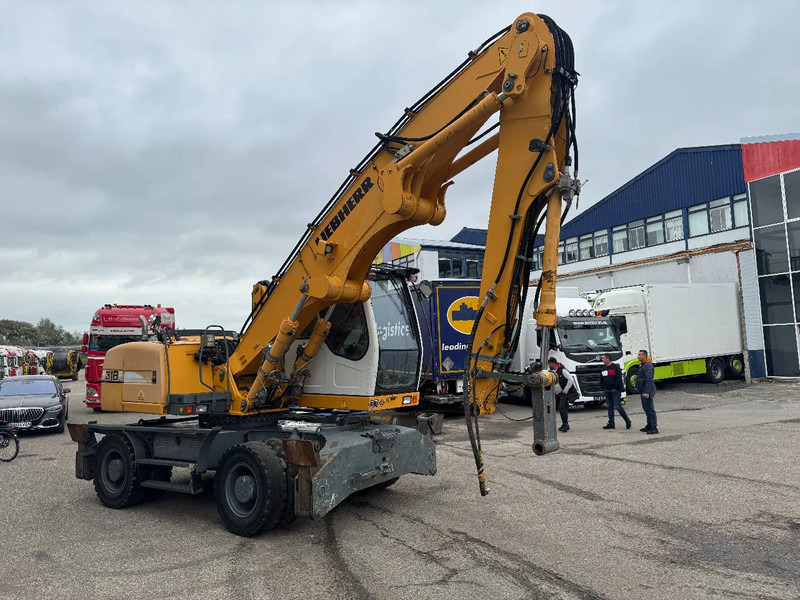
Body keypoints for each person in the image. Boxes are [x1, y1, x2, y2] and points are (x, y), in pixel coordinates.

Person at [600, 353, 630, 429]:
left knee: (617, 406)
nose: (602, 360)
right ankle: (611, 423)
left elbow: (619, 378)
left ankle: (627, 420)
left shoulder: (615, 367)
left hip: (615, 390)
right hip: (607, 390)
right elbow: (602, 379)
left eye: (603, 358)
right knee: (609, 407)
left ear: (608, 359)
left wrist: (616, 388)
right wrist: (603, 387)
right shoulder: (603, 369)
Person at [548, 357, 576, 432]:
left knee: (562, 408)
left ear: (553, 363)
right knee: (558, 408)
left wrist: (565, 390)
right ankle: (563, 424)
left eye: (549, 363)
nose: (548, 365)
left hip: (562, 393)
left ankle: (565, 424)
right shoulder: (550, 371)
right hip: (555, 393)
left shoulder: (563, 370)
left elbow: (571, 380)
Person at [636, 349, 658, 434]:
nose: (638, 356)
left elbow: (649, 380)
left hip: (647, 391)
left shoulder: (648, 365)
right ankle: (649, 425)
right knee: (646, 408)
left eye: (640, 355)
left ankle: (654, 427)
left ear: (644, 356)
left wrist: (647, 392)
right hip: (643, 390)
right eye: (638, 355)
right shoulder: (642, 365)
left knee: (650, 409)